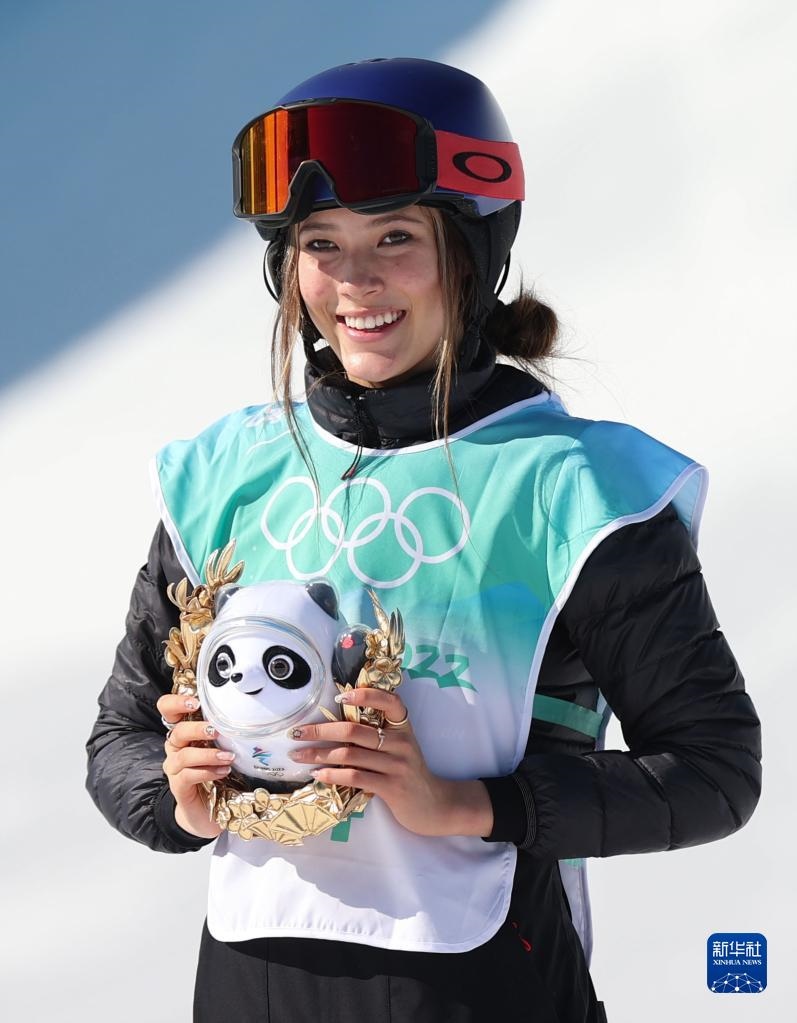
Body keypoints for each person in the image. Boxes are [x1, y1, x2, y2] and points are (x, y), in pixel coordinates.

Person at [86, 58, 761, 1022]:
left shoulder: (575, 489)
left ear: (471, 252)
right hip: (247, 986)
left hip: (483, 981)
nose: (354, 280)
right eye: (320, 243)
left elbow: (712, 773)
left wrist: (466, 804)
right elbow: (121, 737)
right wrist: (176, 799)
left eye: (395, 236)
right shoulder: (222, 478)